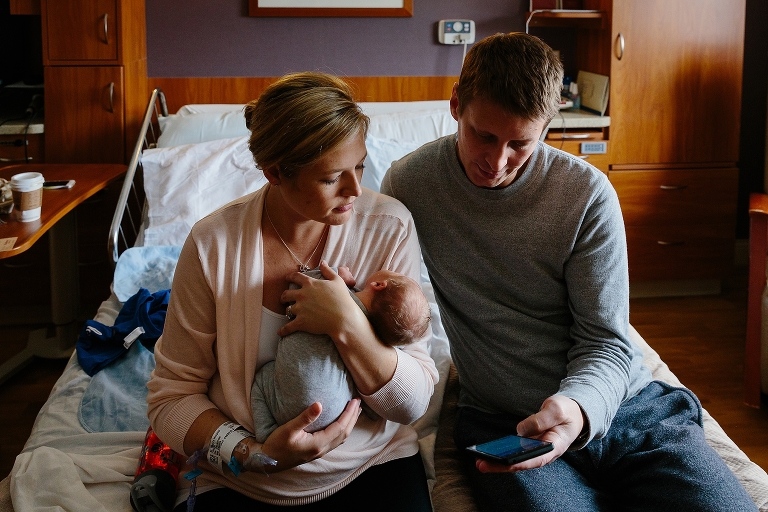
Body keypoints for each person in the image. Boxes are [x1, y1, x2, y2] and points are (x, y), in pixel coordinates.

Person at [380, 32, 757, 511]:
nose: (497, 163)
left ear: (547, 125)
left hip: (626, 411)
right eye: (484, 136)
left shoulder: (586, 195)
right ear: (456, 105)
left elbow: (607, 340)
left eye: (520, 143)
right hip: (506, 422)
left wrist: (577, 408)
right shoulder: (409, 184)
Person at [146, 71, 438, 511]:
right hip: (242, 478)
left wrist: (347, 322)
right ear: (275, 173)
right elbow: (171, 398)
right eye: (331, 178)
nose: (356, 190)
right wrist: (253, 455)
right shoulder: (213, 245)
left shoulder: (389, 227)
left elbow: (413, 401)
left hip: (371, 464)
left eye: (359, 166)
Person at [251, 267, 431, 443]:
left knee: (263, 377)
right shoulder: (378, 342)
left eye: (397, 273)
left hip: (287, 407)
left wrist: (340, 275)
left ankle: (267, 433)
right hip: (332, 418)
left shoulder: (330, 289)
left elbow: (302, 283)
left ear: (378, 284)